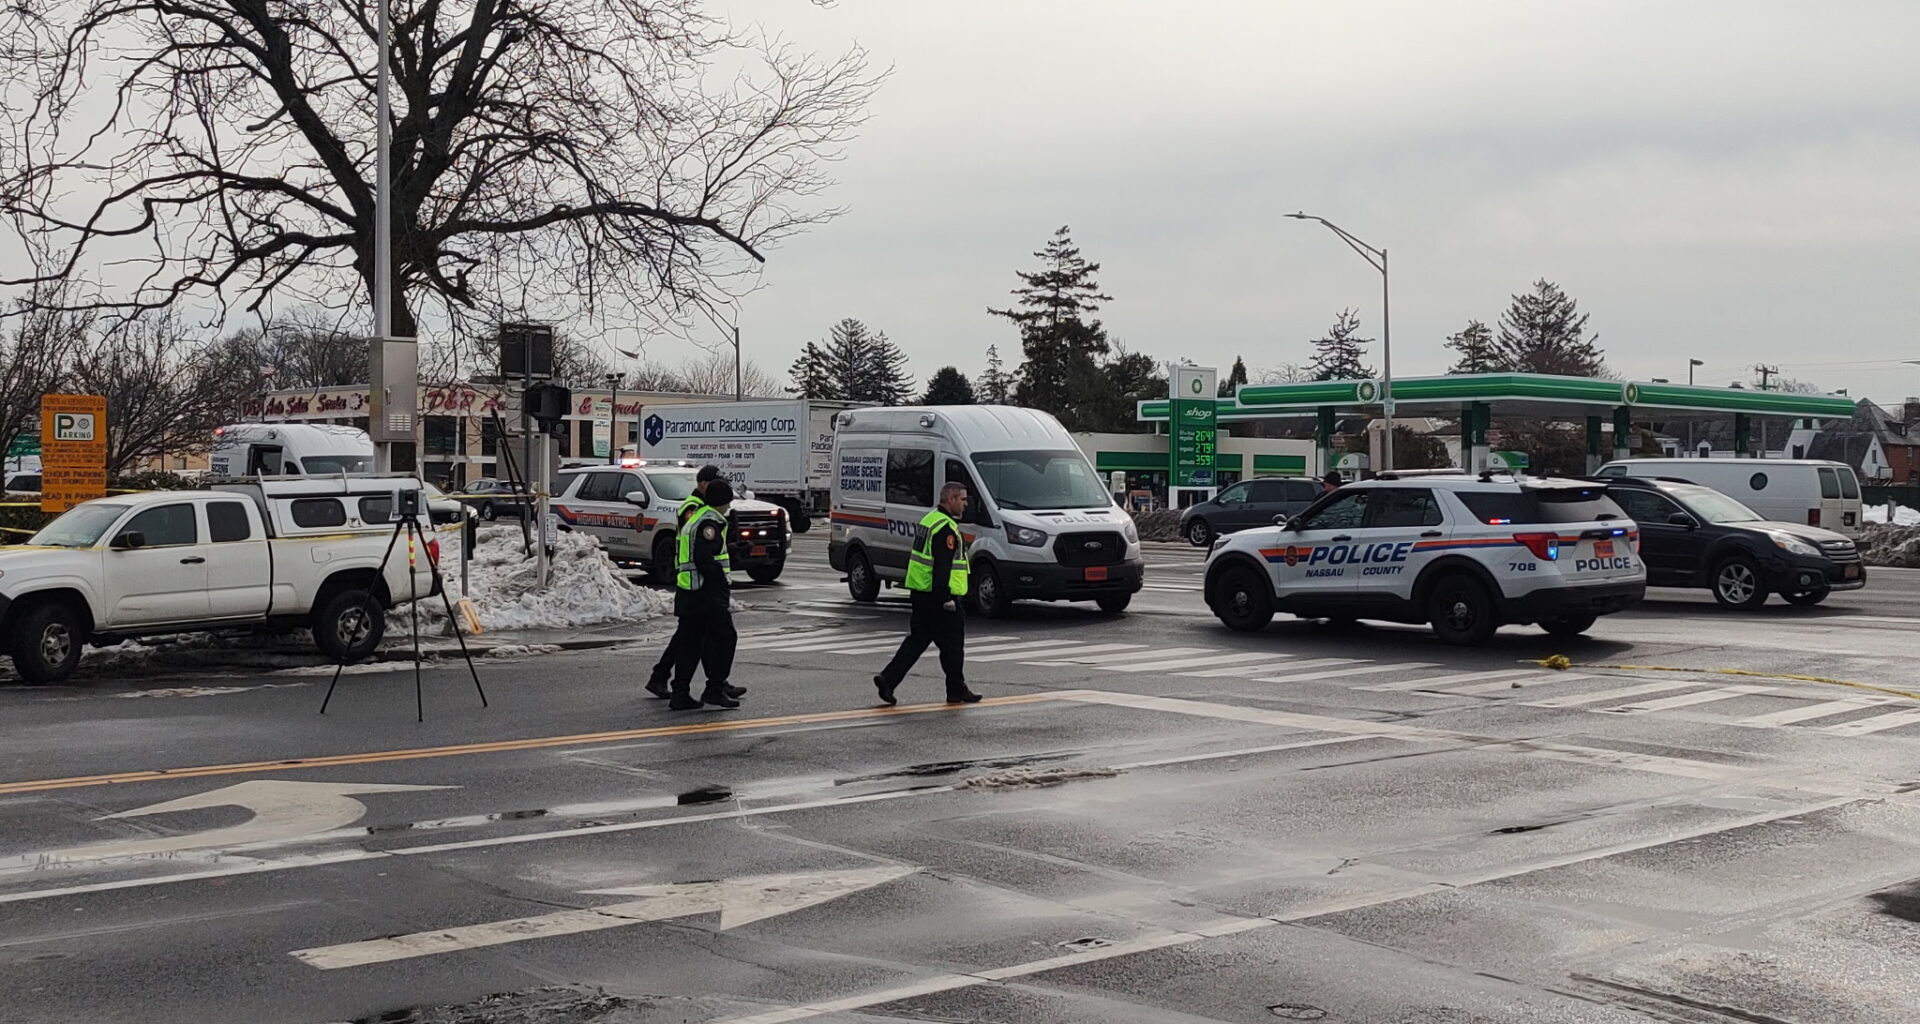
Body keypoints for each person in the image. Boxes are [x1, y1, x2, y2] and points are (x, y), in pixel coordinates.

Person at [873, 483, 982, 706]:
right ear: (950, 499)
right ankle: (955, 689)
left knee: (918, 641)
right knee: (953, 644)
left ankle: (888, 679)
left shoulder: (930, 520)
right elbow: (942, 567)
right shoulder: (945, 528)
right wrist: (946, 599)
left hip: (922, 593)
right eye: (962, 499)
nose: (966, 503)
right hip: (940, 597)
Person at [645, 466, 743, 700]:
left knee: (694, 637)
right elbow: (702, 552)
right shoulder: (695, 508)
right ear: (703, 484)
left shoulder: (706, 510)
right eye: (715, 482)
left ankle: (701, 685)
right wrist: (718, 577)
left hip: (694, 585)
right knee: (699, 639)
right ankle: (708, 685)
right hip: (697, 584)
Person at [667, 478, 740, 710]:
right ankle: (715, 688)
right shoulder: (710, 521)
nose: (729, 507)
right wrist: (720, 580)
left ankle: (679, 693)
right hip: (705, 592)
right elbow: (704, 557)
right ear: (721, 502)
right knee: (725, 638)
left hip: (688, 591)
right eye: (727, 502)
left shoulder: (699, 517)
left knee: (690, 643)